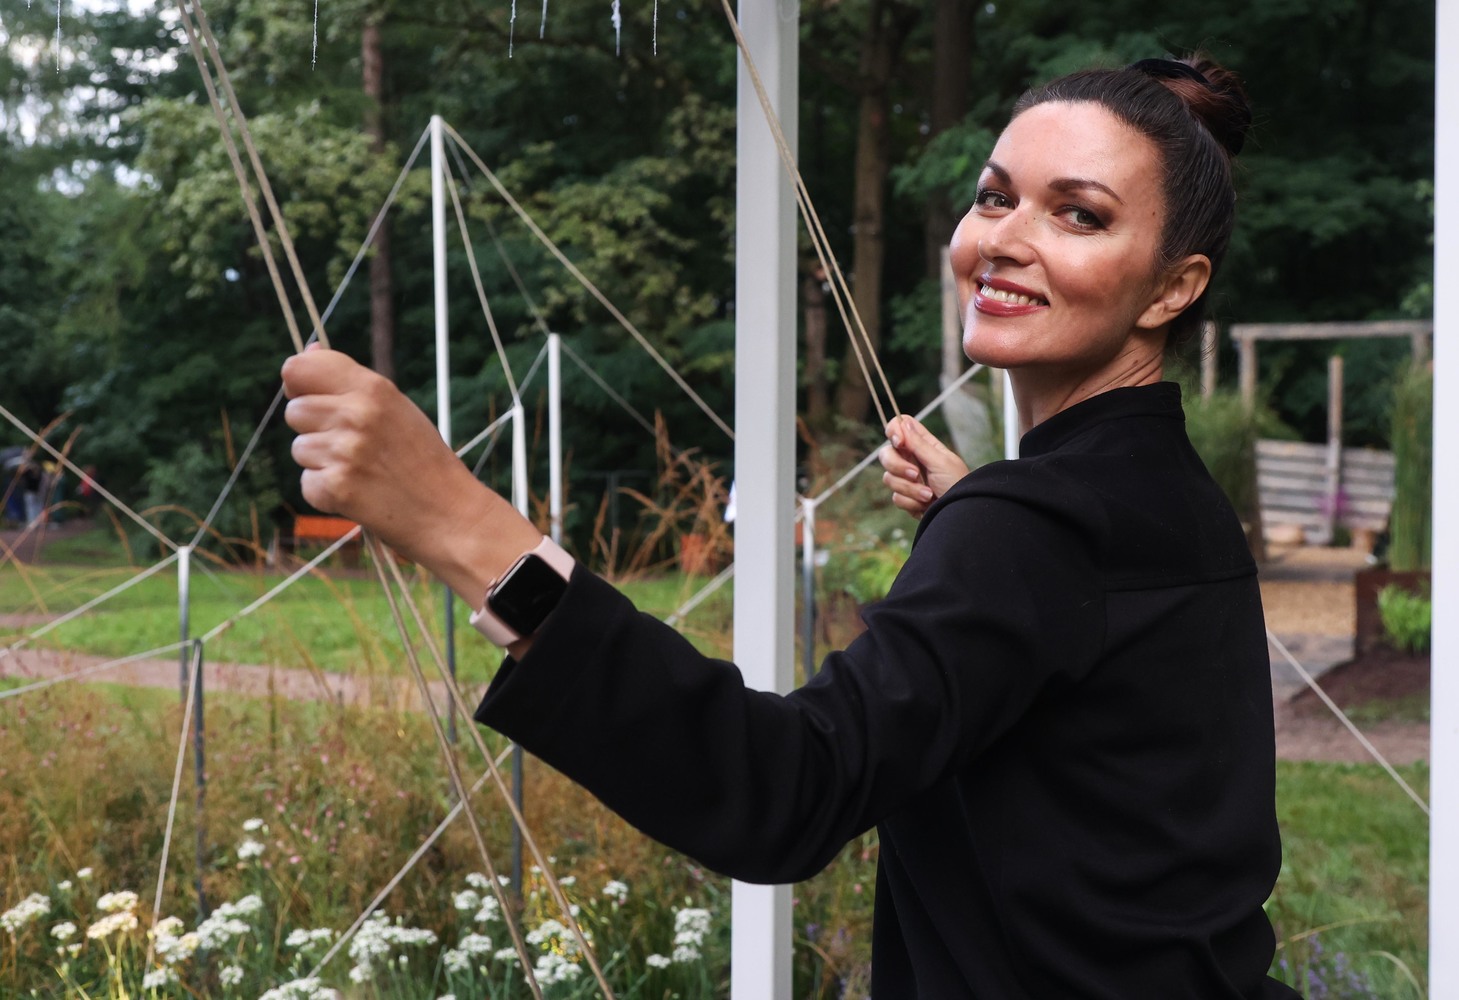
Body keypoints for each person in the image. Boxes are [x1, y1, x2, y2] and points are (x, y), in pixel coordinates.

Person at [283, 53, 1299, 998]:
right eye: (995, 196)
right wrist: (979, 519)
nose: (1003, 238)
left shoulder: (1038, 527)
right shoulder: (1163, 495)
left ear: (1173, 286)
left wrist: (459, 522)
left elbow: (786, 789)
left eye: (1078, 214)